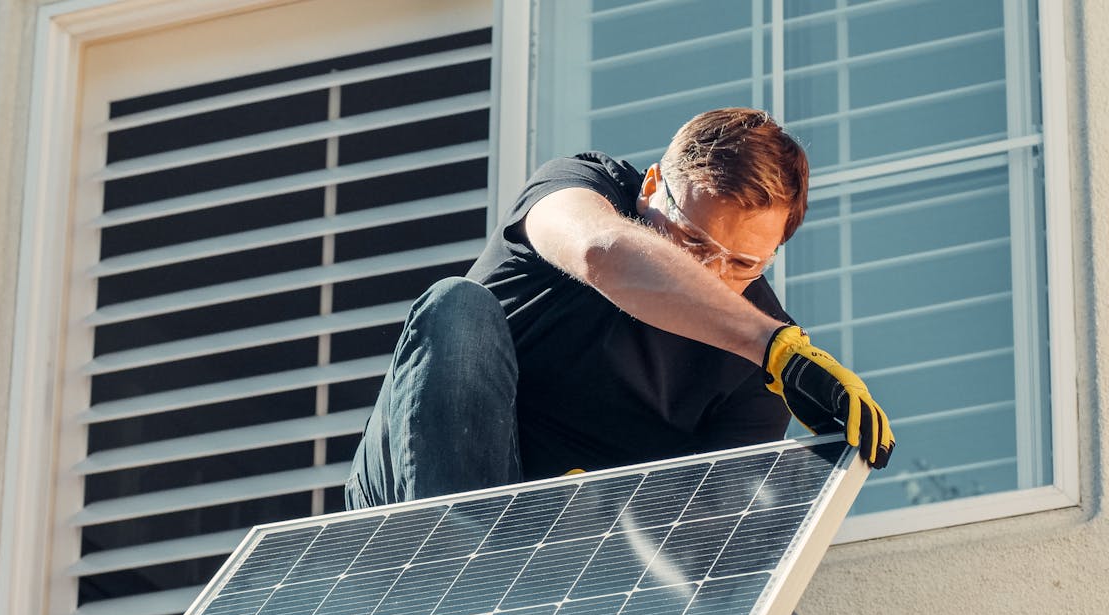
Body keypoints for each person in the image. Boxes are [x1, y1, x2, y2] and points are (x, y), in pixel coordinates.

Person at [344, 108, 894, 510]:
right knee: (456, 307)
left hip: (568, 553)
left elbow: (714, 533)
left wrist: (818, 464)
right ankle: (458, 573)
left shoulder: (758, 370)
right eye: (693, 243)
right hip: (428, 485)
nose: (713, 276)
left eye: (743, 264)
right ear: (651, 186)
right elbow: (598, 248)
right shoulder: (584, 186)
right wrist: (773, 347)